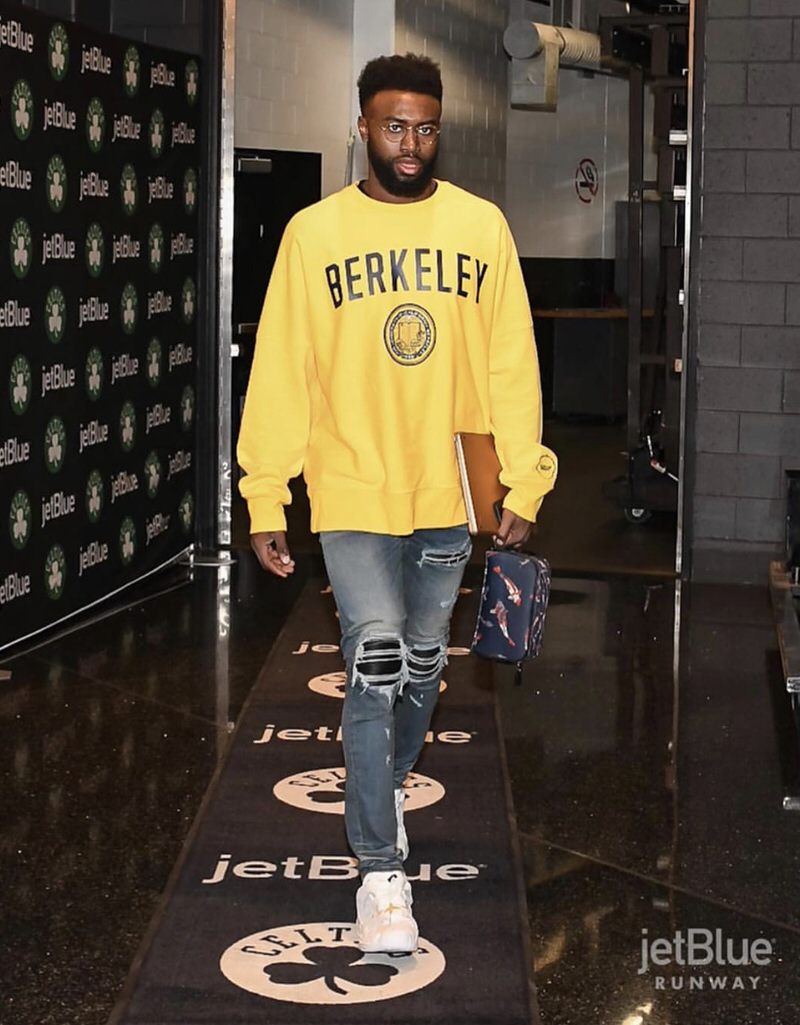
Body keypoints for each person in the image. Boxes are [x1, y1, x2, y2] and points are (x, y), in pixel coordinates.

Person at [237, 53, 557, 954]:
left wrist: (523, 479)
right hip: (349, 487)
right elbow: (283, 372)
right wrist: (267, 492)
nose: (409, 143)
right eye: (392, 125)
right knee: (374, 661)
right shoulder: (313, 234)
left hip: (447, 491)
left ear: (436, 129)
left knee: (421, 666)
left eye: (423, 127)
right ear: (363, 127)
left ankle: (386, 782)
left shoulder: (481, 227)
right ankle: (379, 868)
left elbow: (510, 365)